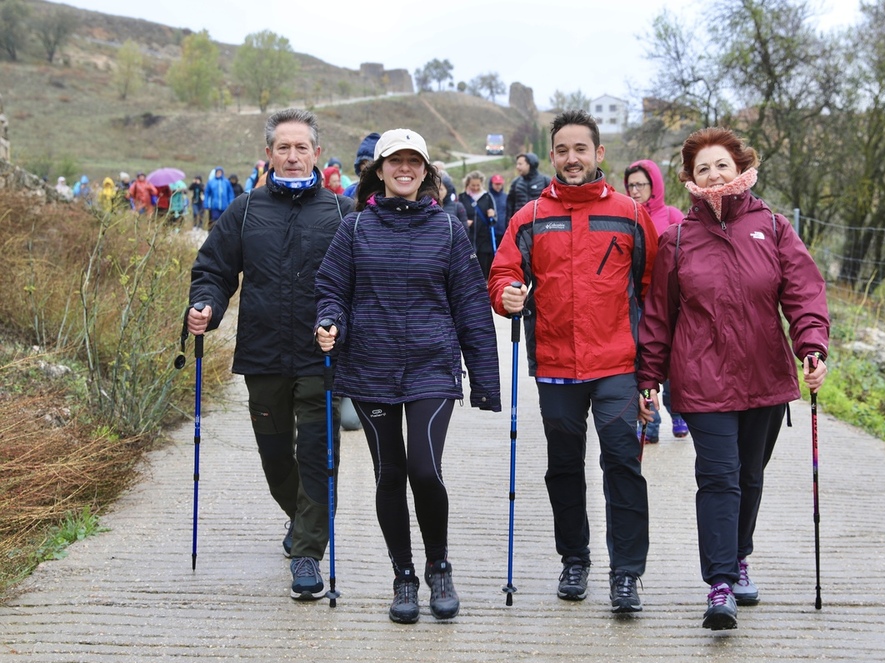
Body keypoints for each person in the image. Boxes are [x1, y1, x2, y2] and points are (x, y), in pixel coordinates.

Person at [637, 127, 829, 631]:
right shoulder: (677, 238)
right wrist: (648, 376)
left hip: (765, 375)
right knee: (719, 478)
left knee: (750, 475)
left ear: (741, 166)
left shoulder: (774, 227)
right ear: (689, 179)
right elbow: (659, 313)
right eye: (702, 168)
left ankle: (739, 554)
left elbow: (804, 292)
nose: (713, 175)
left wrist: (811, 345)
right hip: (701, 379)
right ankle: (720, 583)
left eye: (721, 164)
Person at [315, 128, 501, 624]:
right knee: (389, 474)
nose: (404, 168)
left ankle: (439, 566)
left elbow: (470, 307)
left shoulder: (447, 229)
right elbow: (332, 288)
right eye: (394, 161)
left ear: (426, 171)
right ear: (379, 170)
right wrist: (329, 321)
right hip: (370, 367)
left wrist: (484, 381)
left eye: (413, 161)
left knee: (424, 469)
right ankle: (403, 577)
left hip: (431, 367)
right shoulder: (354, 229)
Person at [488, 110, 658, 615]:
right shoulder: (531, 217)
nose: (571, 158)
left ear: (598, 154)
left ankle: (626, 574)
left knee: (622, 464)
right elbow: (502, 274)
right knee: (563, 467)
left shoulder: (630, 214)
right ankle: (574, 559)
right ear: (553, 155)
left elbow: (652, 291)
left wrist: (652, 375)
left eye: (580, 149)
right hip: (556, 363)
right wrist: (507, 296)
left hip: (617, 365)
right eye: (561, 150)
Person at [186, 108, 354, 602]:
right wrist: (205, 307)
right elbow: (214, 270)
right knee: (276, 456)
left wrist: (345, 326)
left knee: (318, 453)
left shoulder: (343, 213)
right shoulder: (244, 209)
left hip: (321, 356)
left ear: (316, 154)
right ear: (269, 154)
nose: (293, 155)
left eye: (302, 147)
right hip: (261, 354)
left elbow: (357, 282)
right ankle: (301, 516)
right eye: (284, 147)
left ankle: (307, 551)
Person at [624, 159, 688, 442]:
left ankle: (679, 413)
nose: (635, 191)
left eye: (641, 184)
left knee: (673, 363)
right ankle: (650, 422)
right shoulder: (628, 216)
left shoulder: (673, 214)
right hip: (638, 302)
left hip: (670, 303)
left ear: (655, 186)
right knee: (644, 362)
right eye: (631, 186)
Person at [457, 170, 499, 279]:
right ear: (467, 184)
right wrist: (464, 222)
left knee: (483, 269)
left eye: (478, 185)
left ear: (482, 184)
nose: (475, 188)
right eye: (472, 185)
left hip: (484, 239)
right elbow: (455, 215)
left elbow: (494, 219)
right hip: (467, 238)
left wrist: (492, 215)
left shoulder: (487, 197)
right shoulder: (462, 197)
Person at [506, 151, 550, 220]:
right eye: (517, 164)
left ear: (530, 164)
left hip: (540, 223)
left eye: (520, 164)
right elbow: (510, 206)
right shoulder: (515, 183)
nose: (517, 167)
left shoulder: (545, 181)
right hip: (520, 223)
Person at [342, 132, 380, 199]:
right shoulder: (350, 192)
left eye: (370, 163)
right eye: (362, 163)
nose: (365, 167)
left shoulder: (388, 192)